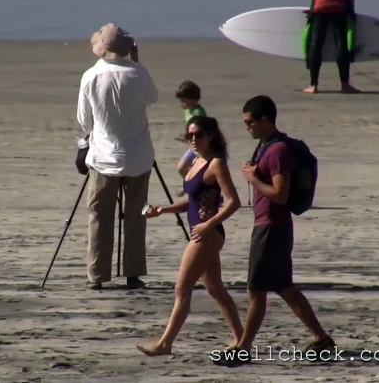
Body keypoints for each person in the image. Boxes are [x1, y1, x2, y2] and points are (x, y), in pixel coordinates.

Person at [218, 95, 335, 366]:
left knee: (256, 289)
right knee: (284, 287)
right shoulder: (265, 146)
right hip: (268, 225)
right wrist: (255, 173)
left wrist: (253, 178)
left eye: (250, 123)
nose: (246, 127)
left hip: (273, 226)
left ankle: (243, 349)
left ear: (265, 121)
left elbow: (280, 195)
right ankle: (322, 339)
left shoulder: (278, 150)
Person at [137, 115, 244, 356]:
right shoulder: (195, 161)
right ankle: (241, 339)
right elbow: (192, 201)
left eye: (198, 135)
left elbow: (233, 202)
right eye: (189, 135)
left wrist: (209, 224)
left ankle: (165, 344)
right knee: (216, 288)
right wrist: (164, 209)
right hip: (202, 232)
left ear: (211, 136)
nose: (193, 140)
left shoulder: (216, 164)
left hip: (207, 235)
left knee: (182, 289)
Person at [77, 23, 159, 290]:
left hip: (103, 158)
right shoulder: (138, 73)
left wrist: (86, 140)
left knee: (99, 217)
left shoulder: (90, 76)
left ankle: (97, 276)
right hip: (138, 157)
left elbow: (84, 120)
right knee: (136, 217)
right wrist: (137, 64)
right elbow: (152, 98)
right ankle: (133, 274)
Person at [303, 0, 361, 94]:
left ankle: (313, 85)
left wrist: (312, 9)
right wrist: (351, 12)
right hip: (339, 6)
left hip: (320, 5)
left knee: (316, 42)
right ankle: (345, 85)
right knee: (341, 42)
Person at [174, 80, 207, 178]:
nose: (181, 104)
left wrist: (188, 137)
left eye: (183, 101)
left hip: (201, 148)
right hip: (192, 146)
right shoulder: (188, 110)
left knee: (198, 171)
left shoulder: (198, 113)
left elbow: (201, 132)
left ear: (193, 100)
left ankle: (195, 186)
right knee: (181, 168)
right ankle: (189, 184)